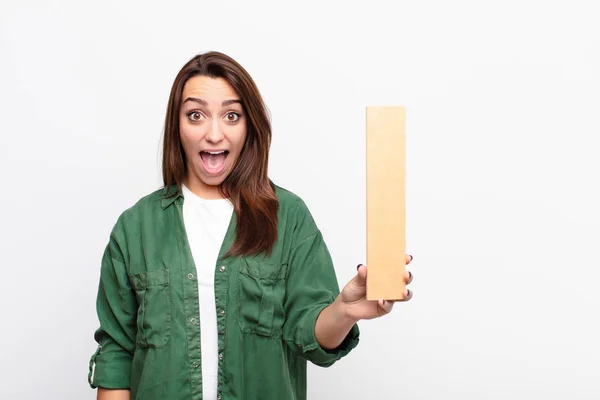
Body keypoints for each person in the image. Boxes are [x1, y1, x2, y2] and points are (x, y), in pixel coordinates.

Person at [87, 51, 414, 400]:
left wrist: (344, 311)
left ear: (249, 126)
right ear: (177, 126)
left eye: (231, 115)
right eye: (196, 115)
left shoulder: (288, 217)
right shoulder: (135, 227)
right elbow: (117, 352)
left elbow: (311, 335)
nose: (214, 134)